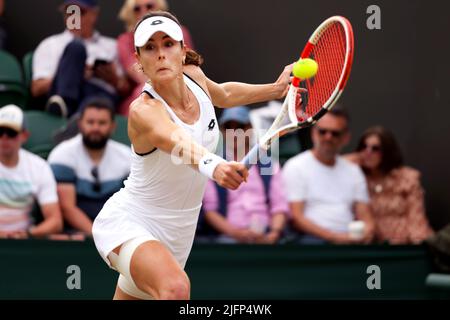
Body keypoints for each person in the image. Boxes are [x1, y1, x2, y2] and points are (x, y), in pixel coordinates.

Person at [92, 11, 292, 300]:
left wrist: (275, 90)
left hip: (178, 234)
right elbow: (175, 141)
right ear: (138, 61)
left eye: (168, 44)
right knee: (175, 289)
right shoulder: (143, 111)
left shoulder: (195, 77)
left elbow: (223, 94)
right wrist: (216, 166)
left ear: (182, 50)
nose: (160, 54)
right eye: (150, 48)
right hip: (131, 221)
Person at [282, 107, 375, 244]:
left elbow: (366, 217)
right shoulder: (295, 166)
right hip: (310, 242)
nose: (328, 137)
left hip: (349, 242)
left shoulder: (353, 171)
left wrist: (367, 232)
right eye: (323, 131)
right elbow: (296, 218)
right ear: (313, 133)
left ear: (346, 138)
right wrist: (334, 237)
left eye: (335, 133)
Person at [201, 106, 289, 244]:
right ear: (222, 131)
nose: (234, 132)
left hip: (266, 239)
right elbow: (210, 210)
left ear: (250, 128)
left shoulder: (269, 164)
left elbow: (279, 207)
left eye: (240, 127)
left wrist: (273, 234)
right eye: (228, 127)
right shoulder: (213, 164)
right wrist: (237, 234)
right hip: (227, 239)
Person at [31, 0, 130, 118]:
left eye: (80, 12)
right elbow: (36, 88)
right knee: (76, 47)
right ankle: (65, 107)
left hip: (100, 95)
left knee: (96, 103)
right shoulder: (50, 44)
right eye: (69, 12)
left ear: (94, 14)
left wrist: (114, 79)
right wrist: (72, 72)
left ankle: (78, 118)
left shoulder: (112, 46)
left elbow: (126, 89)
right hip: (62, 93)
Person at [48, 97, 131, 235]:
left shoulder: (127, 157)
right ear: (80, 124)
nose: (95, 128)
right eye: (90, 122)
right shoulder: (62, 154)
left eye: (102, 123)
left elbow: (131, 205)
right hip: (75, 234)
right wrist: (96, 236)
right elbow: (67, 207)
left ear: (113, 126)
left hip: (117, 230)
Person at [347, 126, 434, 244]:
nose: (368, 152)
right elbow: (335, 165)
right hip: (371, 246)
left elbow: (416, 219)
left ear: (387, 151)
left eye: (375, 148)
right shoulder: (357, 178)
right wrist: (353, 158)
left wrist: (419, 247)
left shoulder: (406, 178)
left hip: (404, 245)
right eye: (364, 147)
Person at [117, 0, 195, 115]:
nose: (144, 11)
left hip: (182, 86)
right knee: (143, 92)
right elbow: (141, 76)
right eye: (137, 9)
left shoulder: (179, 31)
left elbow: (191, 69)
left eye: (149, 6)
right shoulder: (125, 40)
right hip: (146, 92)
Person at [0, 105, 63, 238]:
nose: (4, 138)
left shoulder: (39, 167)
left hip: (24, 243)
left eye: (11, 133)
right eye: (0, 132)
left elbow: (55, 221)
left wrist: (28, 234)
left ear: (24, 136)